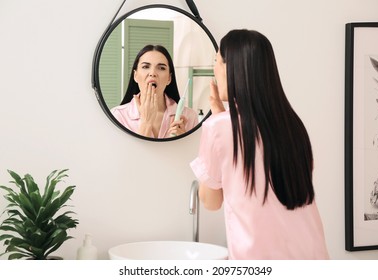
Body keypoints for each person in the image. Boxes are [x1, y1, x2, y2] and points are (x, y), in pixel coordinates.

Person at [190, 29, 329, 259]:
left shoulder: (218, 127)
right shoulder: (293, 125)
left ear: (229, 68)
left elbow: (211, 201)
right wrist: (222, 116)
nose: (214, 70)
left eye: (216, 61)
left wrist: (219, 119)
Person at [111, 45, 198, 138]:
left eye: (161, 68)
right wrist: (146, 122)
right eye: (145, 66)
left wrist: (183, 142)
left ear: (169, 78)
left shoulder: (189, 116)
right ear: (135, 75)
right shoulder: (118, 116)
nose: (152, 73)